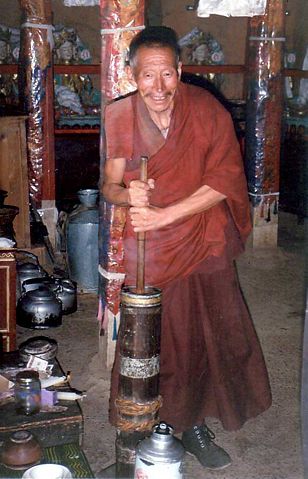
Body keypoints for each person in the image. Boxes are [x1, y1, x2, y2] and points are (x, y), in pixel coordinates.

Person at [102, 26, 271, 470]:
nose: (158, 88)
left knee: (207, 333)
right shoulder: (120, 115)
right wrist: (128, 195)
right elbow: (109, 186)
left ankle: (194, 425)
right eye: (147, 77)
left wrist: (164, 214)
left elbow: (224, 181)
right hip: (151, 247)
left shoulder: (207, 110)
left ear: (180, 71)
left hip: (203, 235)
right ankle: (141, 425)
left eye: (167, 75)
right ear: (132, 76)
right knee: (155, 336)